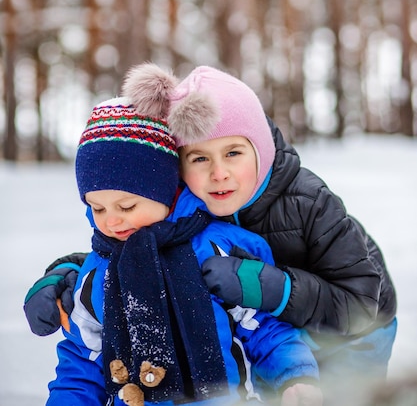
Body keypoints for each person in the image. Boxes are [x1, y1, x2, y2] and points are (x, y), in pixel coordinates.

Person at [25, 62, 397, 402]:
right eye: (200, 158)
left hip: (352, 334)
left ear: (260, 150)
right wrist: (69, 276)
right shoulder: (191, 205)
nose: (218, 173)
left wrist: (275, 288)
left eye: (233, 153)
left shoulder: (309, 203)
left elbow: (362, 303)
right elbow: (140, 245)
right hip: (273, 335)